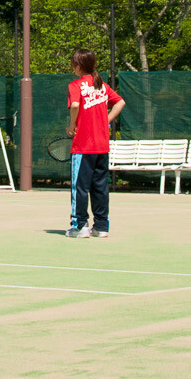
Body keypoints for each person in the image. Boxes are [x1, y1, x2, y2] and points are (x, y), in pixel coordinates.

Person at [65, 49, 124, 238]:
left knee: (79, 187)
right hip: (101, 146)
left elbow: (75, 105)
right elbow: (120, 102)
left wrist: (72, 125)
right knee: (100, 186)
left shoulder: (76, 85)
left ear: (78, 65)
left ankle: (79, 226)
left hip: (83, 146)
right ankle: (101, 227)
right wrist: (106, 119)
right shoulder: (102, 86)